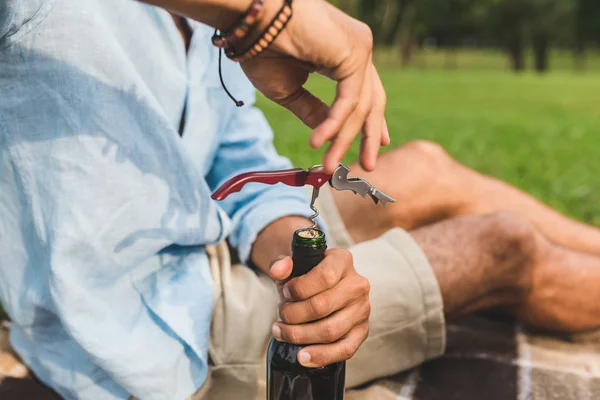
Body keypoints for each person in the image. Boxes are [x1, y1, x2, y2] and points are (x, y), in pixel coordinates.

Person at [0, 1, 598, 400]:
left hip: (214, 245)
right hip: (151, 331)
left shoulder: (199, 25)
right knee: (502, 248)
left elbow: (239, 169)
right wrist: (265, 15)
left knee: (428, 168)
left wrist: (302, 261)